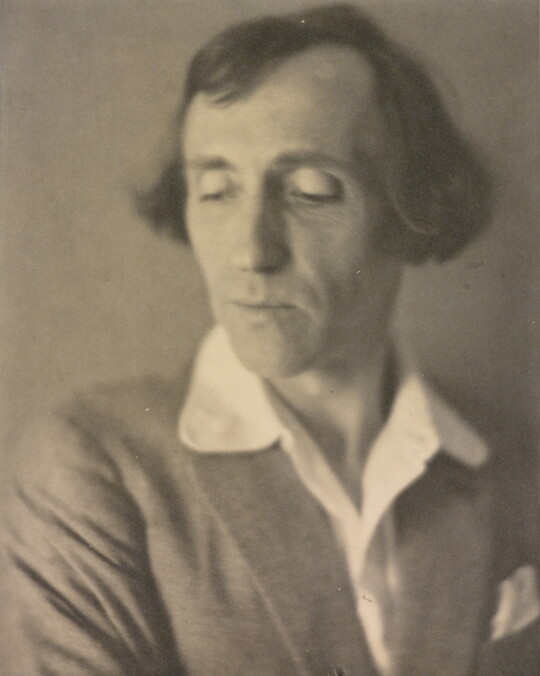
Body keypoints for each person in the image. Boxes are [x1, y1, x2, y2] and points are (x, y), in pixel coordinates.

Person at [4, 4, 538, 675]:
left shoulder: (516, 467)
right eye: (216, 190)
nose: (251, 253)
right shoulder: (91, 469)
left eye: (311, 192)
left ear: (409, 212)